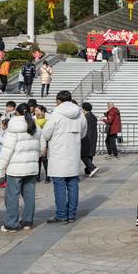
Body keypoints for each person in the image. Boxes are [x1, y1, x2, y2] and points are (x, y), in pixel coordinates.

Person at [0, 103, 44, 232]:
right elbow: (42, 147)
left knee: (12, 197)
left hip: (15, 169)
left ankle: (11, 223)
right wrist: (34, 157)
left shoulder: (13, 127)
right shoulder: (35, 126)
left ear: (16, 113)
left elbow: (6, 152)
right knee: (29, 196)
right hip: (32, 167)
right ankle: (27, 222)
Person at [42, 90, 87, 224]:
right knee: (73, 184)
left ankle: (61, 214)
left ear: (58, 101)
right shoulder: (80, 114)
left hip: (58, 153)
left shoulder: (55, 114)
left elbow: (46, 133)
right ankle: (71, 215)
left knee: (59, 184)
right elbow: (83, 133)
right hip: (73, 152)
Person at [80, 103, 99, 178]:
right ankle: (88, 170)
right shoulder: (93, 116)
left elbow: (83, 128)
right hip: (93, 136)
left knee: (83, 154)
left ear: (84, 108)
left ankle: (92, 167)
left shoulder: (85, 117)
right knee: (89, 153)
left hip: (87, 137)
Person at [34, 105, 50, 183]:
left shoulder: (48, 119)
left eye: (38, 110)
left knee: (45, 159)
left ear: (43, 111)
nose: (36, 112)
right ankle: (37, 176)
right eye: (35, 111)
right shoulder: (33, 119)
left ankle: (48, 176)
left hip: (47, 141)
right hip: (36, 141)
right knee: (38, 160)